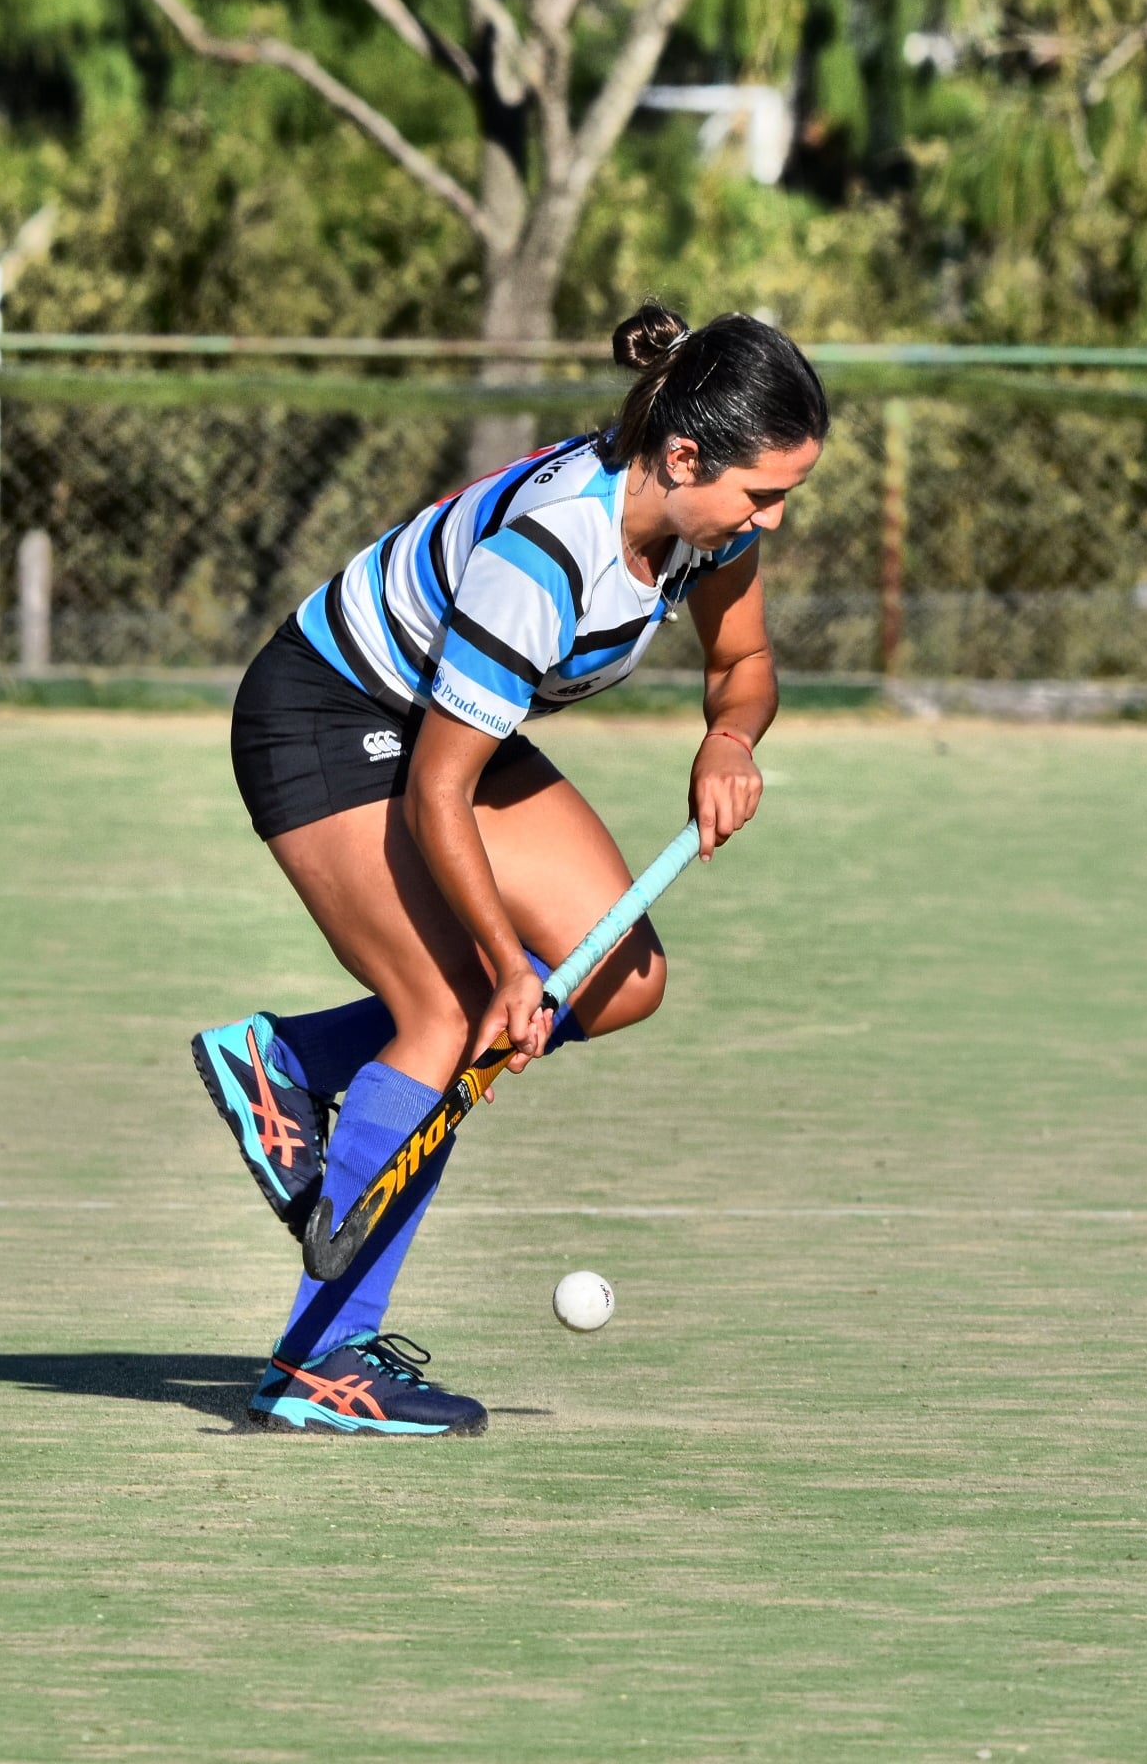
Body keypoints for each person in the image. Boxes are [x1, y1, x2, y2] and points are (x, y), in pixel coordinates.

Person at [191, 300, 828, 1436]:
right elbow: (437, 791)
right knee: (443, 1016)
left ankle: (289, 1057)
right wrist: (502, 969)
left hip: (443, 729)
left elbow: (744, 659)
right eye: (760, 492)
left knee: (620, 980)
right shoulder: (547, 556)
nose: (768, 518)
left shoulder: (707, 524)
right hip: (330, 718)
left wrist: (730, 737)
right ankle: (319, 1368)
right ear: (683, 455)